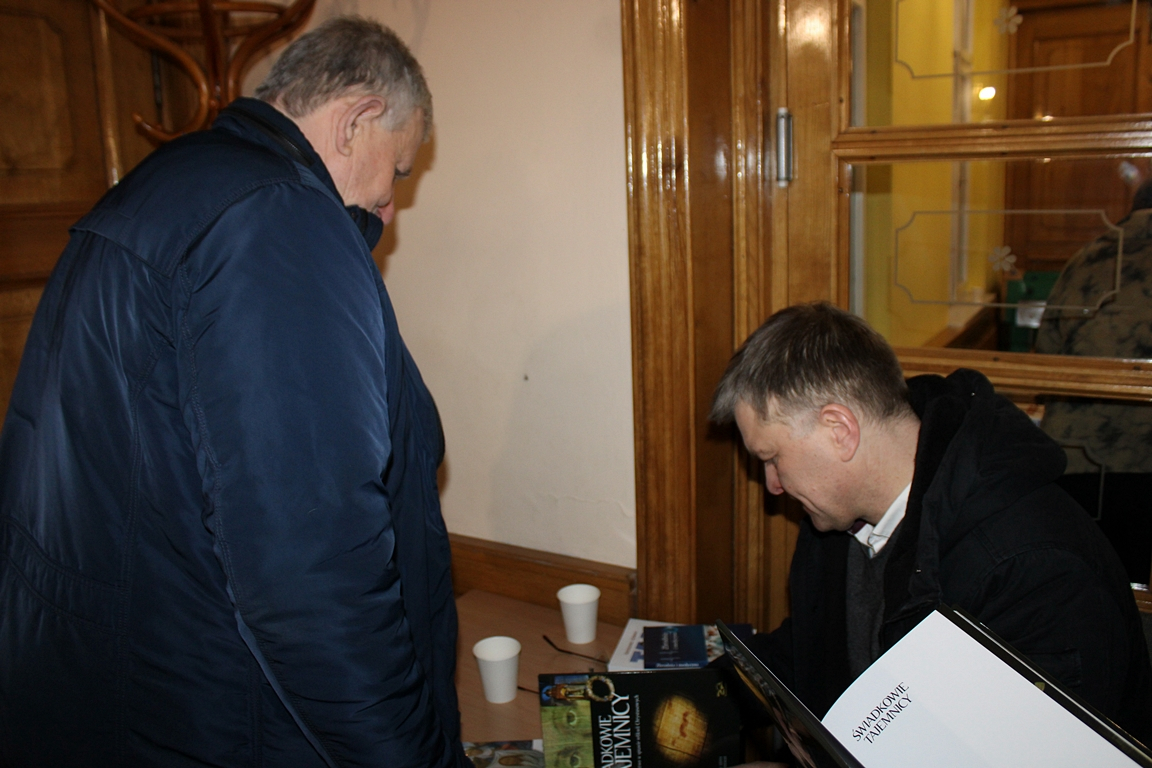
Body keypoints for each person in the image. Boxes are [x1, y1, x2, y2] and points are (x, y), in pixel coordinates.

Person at [0, 17, 468, 767]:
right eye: (399, 171)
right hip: (219, 710)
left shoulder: (161, 183)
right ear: (356, 119)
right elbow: (313, 568)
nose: (388, 205)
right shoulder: (276, 220)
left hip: (113, 677)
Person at [710, 302, 1152, 745]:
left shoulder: (1033, 569)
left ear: (838, 430)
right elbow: (812, 654)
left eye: (772, 458)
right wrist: (692, 694)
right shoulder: (839, 516)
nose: (773, 485)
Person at [1035, 181, 1152, 584]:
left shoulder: (1092, 255)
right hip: (1144, 456)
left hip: (1080, 450)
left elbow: (1046, 351)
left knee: (1083, 574)